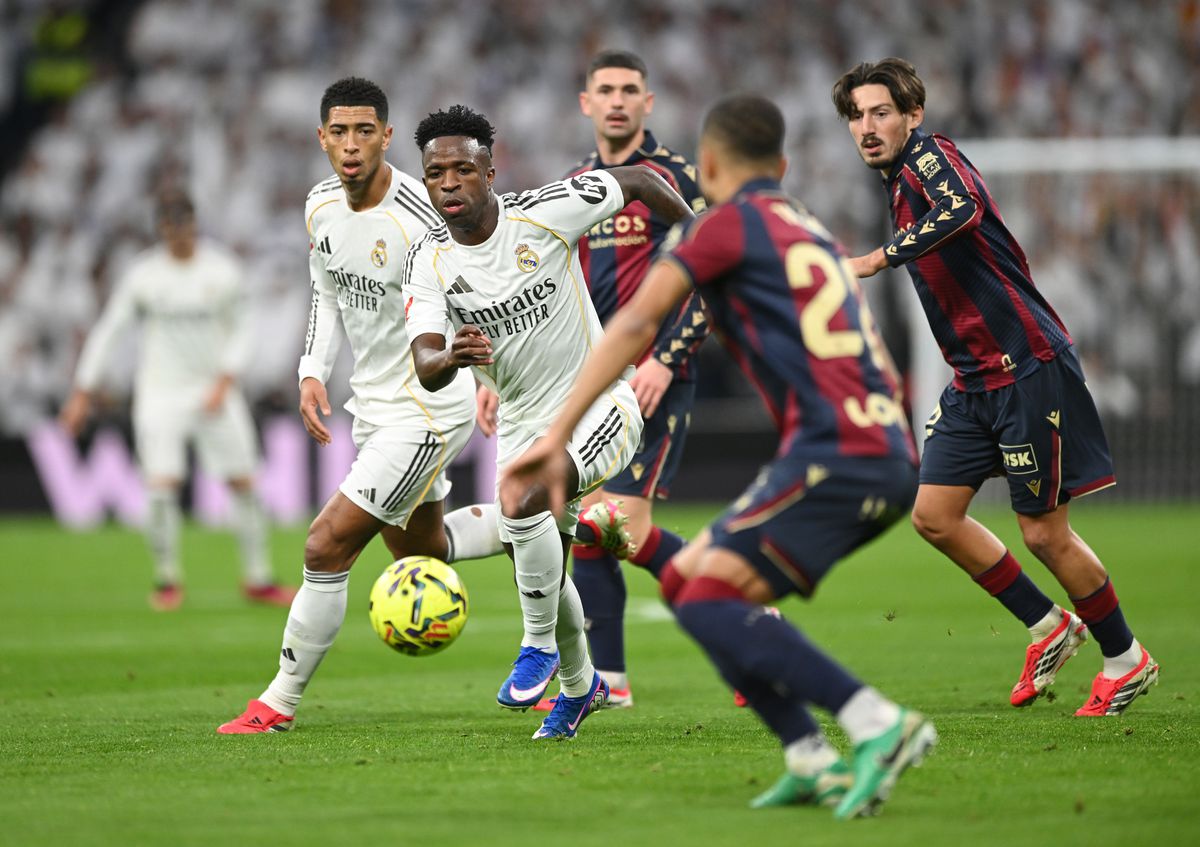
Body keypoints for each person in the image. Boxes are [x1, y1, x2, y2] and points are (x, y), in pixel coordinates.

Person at [504, 94, 936, 817]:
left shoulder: (722, 226)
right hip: (879, 442)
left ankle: (873, 722)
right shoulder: (808, 227)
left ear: (706, 166)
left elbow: (638, 320)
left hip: (838, 453)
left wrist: (554, 438)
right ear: (783, 165)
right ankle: (807, 754)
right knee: (686, 579)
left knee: (704, 595)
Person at [832, 57, 1158, 717]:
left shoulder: (931, 157)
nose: (867, 128)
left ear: (913, 115)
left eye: (880, 112)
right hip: (973, 380)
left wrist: (875, 257)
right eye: (856, 117)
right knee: (934, 515)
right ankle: (1049, 626)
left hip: (1026, 368)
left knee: (1043, 533)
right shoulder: (897, 180)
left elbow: (965, 206)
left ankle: (1126, 658)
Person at [218, 78, 502, 735]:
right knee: (424, 550)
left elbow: (478, 293)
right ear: (322, 138)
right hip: (371, 402)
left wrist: (492, 380)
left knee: (325, 545)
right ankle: (539, 517)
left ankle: (278, 701)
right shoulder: (320, 206)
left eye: (364, 131)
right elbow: (325, 288)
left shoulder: (419, 214)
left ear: (387, 137)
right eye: (339, 132)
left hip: (430, 404)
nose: (351, 145)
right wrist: (313, 371)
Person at [403, 105, 693, 740]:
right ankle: (581, 685)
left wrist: (705, 242)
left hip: (601, 405)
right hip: (523, 425)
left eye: (461, 169)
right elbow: (425, 360)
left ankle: (538, 646)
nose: (448, 183)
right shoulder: (428, 262)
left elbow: (640, 180)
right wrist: (452, 355)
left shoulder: (547, 211)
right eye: (434, 174)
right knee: (537, 550)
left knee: (525, 502)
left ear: (489, 170)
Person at [528, 49, 708, 710]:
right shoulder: (575, 185)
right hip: (595, 383)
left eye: (630, 89)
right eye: (604, 89)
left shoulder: (677, 177)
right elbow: (546, 287)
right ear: (586, 102)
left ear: (648, 102)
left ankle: (746, 612)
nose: (617, 100)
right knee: (591, 531)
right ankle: (613, 682)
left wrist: (666, 355)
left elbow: (715, 272)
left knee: (616, 524)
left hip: (656, 376)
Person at [59, 190, 293, 612]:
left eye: (186, 228)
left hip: (214, 390)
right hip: (161, 393)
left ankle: (258, 577)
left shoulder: (221, 270)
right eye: (172, 230)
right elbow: (109, 329)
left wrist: (225, 377)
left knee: (245, 482)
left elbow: (244, 327)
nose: (180, 237)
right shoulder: (145, 275)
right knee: (162, 486)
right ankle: (167, 578)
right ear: (162, 230)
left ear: (194, 225)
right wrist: (82, 390)